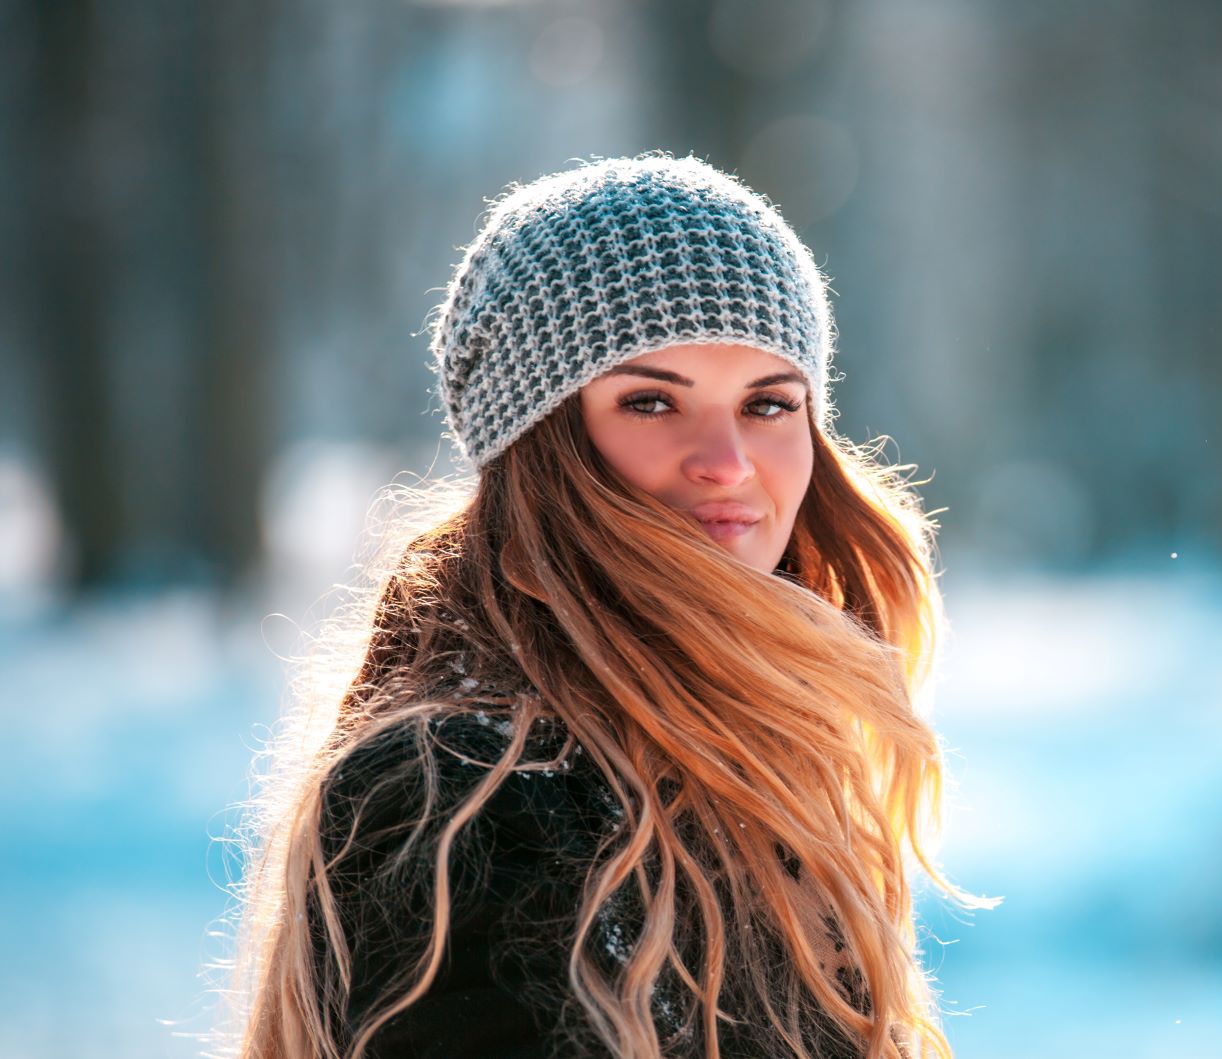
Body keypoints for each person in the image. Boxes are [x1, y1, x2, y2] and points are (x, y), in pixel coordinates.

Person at [218, 153, 997, 1059]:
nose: (727, 460)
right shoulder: (462, 792)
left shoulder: (768, 760)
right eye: (652, 400)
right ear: (540, 439)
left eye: (769, 403)